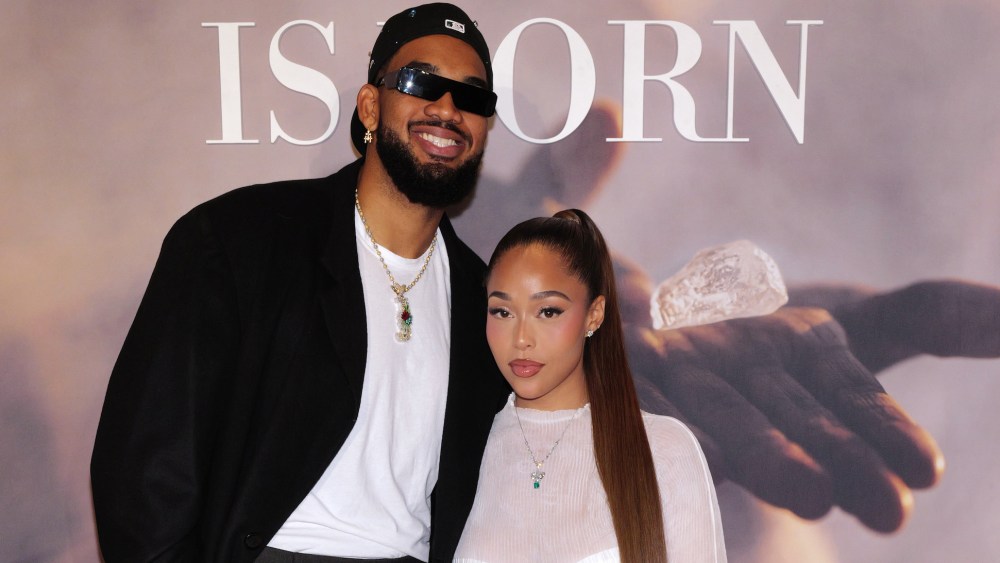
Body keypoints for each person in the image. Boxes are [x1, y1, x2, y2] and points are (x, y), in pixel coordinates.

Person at [90, 4, 509, 563]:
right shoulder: (240, 239)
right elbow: (144, 466)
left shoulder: (487, 303)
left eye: (473, 97)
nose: (448, 109)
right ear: (370, 105)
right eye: (420, 82)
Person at [454, 210, 727, 562]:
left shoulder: (662, 449)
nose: (521, 339)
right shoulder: (461, 449)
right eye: (502, 312)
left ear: (594, 314)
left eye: (548, 311)